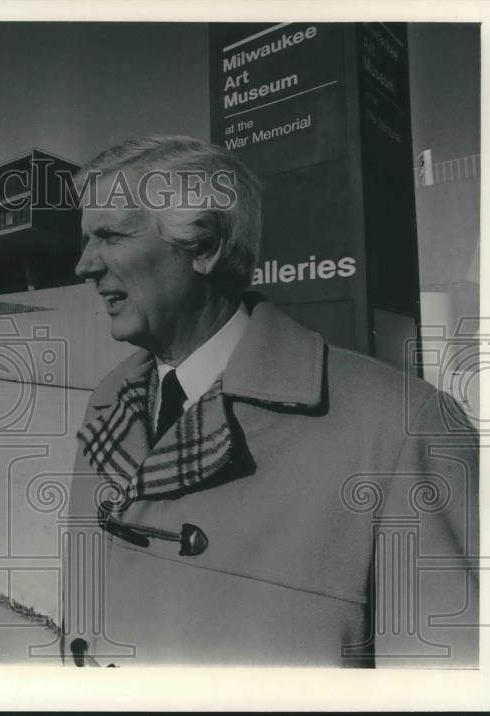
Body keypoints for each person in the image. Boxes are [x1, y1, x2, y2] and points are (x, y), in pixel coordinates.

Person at [61, 136, 478, 667]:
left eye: (110, 236)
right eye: (85, 241)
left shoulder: (402, 428)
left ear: (205, 246)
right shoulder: (106, 400)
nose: (83, 266)